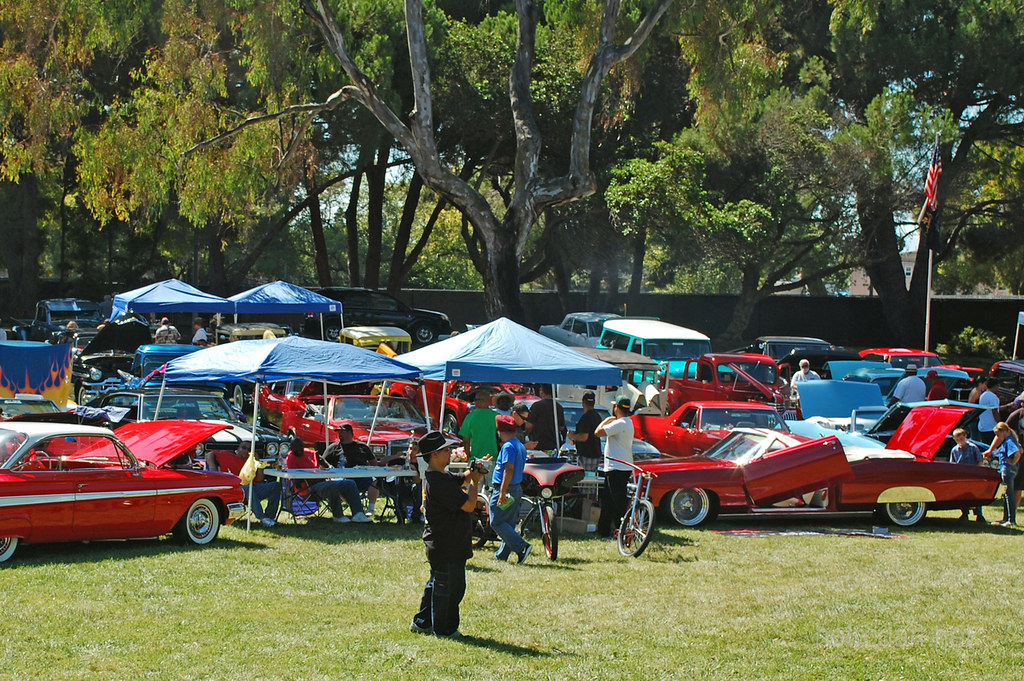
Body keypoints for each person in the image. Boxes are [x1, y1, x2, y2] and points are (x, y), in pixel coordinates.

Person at [411, 431, 485, 638]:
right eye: (446, 450)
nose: (451, 452)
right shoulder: (438, 482)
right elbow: (470, 505)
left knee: (437, 584)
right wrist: (476, 483)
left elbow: (462, 479)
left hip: (444, 543)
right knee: (451, 589)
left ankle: (422, 622)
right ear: (434, 455)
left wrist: (474, 469)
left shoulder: (438, 476)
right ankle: (445, 629)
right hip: (447, 544)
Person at [284, 436, 372, 523]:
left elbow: (325, 466)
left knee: (350, 483)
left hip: (322, 482)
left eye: (301, 447)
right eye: (296, 448)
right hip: (307, 489)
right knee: (331, 485)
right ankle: (338, 516)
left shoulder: (309, 453)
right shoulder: (291, 458)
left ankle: (358, 514)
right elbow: (296, 480)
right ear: (291, 448)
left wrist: (322, 462)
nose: (299, 450)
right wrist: (314, 477)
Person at [489, 414, 531, 563]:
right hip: (516, 488)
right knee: (508, 523)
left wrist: (502, 491)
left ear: (500, 431)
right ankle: (502, 555)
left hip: (506, 488)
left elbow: (509, 469)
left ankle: (522, 546)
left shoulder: (507, 446)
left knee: (496, 522)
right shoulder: (519, 444)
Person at [209, 442, 282, 527]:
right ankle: (262, 518)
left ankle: (270, 518)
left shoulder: (251, 461)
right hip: (236, 491)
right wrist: (213, 468)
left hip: (253, 489)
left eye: (249, 450)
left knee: (276, 485)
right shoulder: (228, 456)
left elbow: (259, 480)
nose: (246, 451)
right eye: (244, 448)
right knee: (248, 488)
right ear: (238, 448)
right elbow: (209, 454)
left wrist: (258, 462)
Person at [595, 396, 635, 539]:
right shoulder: (628, 422)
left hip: (617, 467)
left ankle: (619, 529)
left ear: (617, 408)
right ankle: (603, 529)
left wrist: (606, 420)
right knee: (608, 499)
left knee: (616, 500)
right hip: (618, 466)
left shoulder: (620, 423)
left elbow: (598, 432)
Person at [322, 423, 379, 515]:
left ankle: (371, 509)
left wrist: (371, 470)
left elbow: (373, 462)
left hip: (361, 475)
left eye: (342, 432)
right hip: (342, 477)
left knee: (375, 482)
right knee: (346, 485)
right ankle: (357, 508)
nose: (340, 435)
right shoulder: (333, 448)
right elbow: (322, 462)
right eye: (339, 433)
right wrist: (330, 475)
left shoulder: (361, 446)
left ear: (350, 433)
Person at [983, 421, 1020, 526]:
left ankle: (1011, 520)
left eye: (998, 434)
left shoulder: (1009, 440)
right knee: (1005, 494)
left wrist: (1013, 462)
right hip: (1007, 469)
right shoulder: (1009, 439)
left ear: (1004, 432)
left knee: (1009, 494)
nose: (997, 437)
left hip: (1007, 470)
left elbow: (1017, 452)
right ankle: (1006, 518)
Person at [949, 428, 985, 522]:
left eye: (961, 439)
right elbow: (952, 464)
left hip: (973, 475)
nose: (960, 441)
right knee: (963, 495)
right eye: (957, 440)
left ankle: (978, 514)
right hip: (962, 476)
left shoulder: (973, 448)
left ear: (965, 436)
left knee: (976, 495)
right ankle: (965, 513)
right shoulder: (954, 450)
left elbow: (980, 461)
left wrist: (978, 473)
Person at [458, 388, 498, 463]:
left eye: (476, 399)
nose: (475, 402)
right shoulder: (497, 416)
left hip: (476, 459)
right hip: (494, 459)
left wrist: (469, 457)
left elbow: (466, 441)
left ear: (484, 401)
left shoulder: (470, 417)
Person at [568, 391, 602, 472]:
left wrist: (572, 436)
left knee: (585, 479)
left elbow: (584, 437)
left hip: (587, 454)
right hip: (596, 453)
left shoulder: (586, 417)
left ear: (583, 402)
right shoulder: (597, 416)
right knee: (592, 479)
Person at [526, 384, 566, 452]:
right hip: (554, 445)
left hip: (537, 444)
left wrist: (526, 434)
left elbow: (529, 426)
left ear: (542, 392)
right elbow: (561, 427)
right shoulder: (558, 407)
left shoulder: (536, 406)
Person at [976, 377, 1000, 445]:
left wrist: (1007, 406)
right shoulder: (993, 396)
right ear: (996, 386)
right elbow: (994, 411)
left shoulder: (983, 395)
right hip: (991, 428)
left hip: (982, 427)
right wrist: (1000, 423)